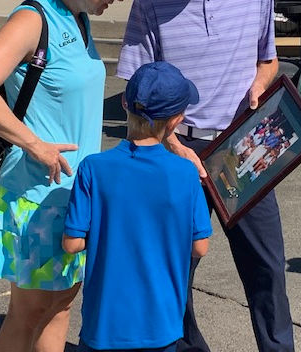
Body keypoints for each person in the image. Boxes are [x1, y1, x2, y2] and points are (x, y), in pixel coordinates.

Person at [0, 0, 148, 352]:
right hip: (36, 194)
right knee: (28, 314)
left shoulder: (77, 15)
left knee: (61, 304)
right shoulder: (33, 17)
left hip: (73, 194)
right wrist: (34, 143)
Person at [117, 0, 295, 352]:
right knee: (173, 270)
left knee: (266, 268)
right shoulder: (151, 0)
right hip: (179, 154)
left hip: (243, 149)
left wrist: (259, 86)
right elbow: (134, 93)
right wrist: (175, 146)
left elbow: (268, 60)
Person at [63, 61, 212, 352]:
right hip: (163, 325)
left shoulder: (93, 168)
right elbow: (200, 247)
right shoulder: (185, 173)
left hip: (103, 324)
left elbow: (72, 243)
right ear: (176, 121)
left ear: (124, 103)